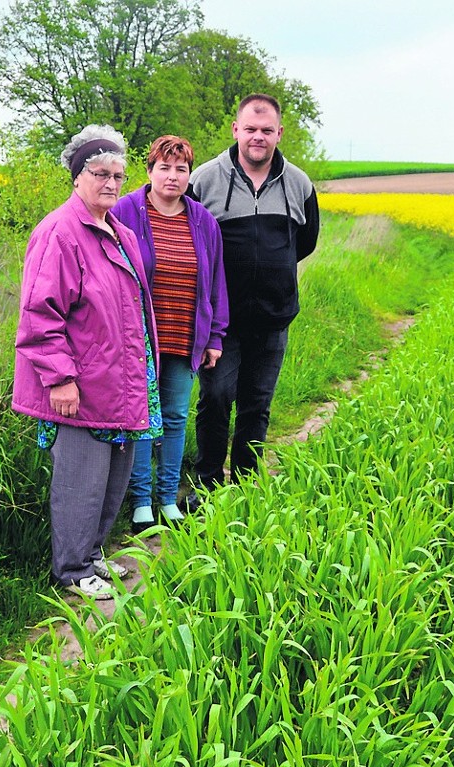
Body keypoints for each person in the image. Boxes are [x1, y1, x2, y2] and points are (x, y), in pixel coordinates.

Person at [12, 124, 162, 599]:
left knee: (114, 477)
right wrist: (60, 379)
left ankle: (93, 556)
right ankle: (72, 571)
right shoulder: (59, 232)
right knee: (80, 481)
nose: (112, 183)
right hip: (80, 384)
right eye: (101, 173)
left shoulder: (118, 231)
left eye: (119, 174)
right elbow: (39, 314)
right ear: (78, 176)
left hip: (120, 381)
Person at [188, 93, 320, 500]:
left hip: (273, 318)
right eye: (250, 129)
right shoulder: (206, 179)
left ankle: (244, 485)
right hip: (221, 322)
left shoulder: (299, 184)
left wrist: (270, 276)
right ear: (236, 130)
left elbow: (307, 241)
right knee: (215, 397)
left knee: (256, 404)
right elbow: (189, 241)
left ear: (279, 133)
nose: (258, 137)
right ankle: (208, 483)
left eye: (266, 130)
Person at [111, 135, 228, 533]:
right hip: (138, 339)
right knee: (142, 418)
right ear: (149, 171)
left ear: (189, 174)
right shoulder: (125, 211)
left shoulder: (202, 220)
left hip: (184, 334)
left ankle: (167, 498)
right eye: (164, 167)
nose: (172, 176)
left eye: (181, 169)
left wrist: (215, 336)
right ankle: (141, 500)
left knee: (175, 418)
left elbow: (215, 282)